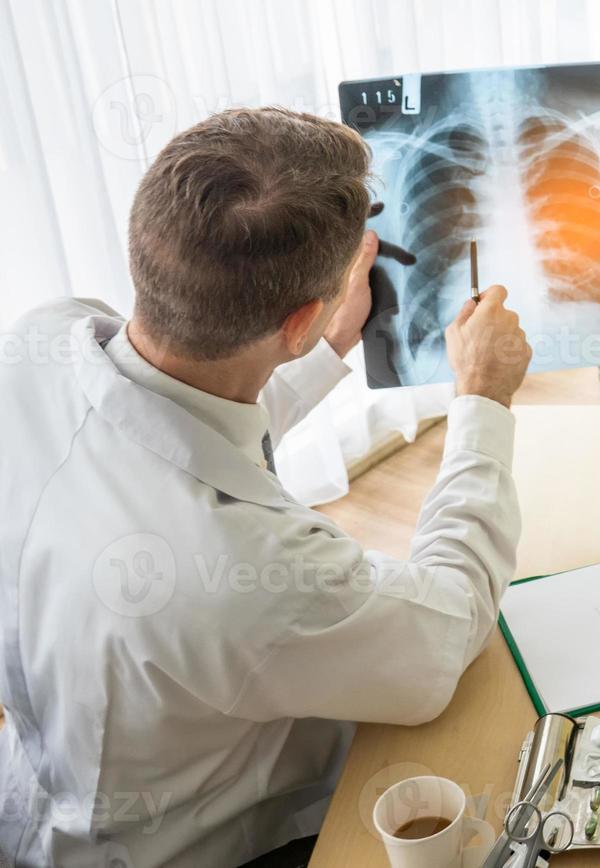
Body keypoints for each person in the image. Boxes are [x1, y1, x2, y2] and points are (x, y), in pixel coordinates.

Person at [0, 107, 533, 868]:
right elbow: (448, 633)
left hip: (34, 799)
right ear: (298, 317)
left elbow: (168, 426)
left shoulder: (39, 341)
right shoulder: (249, 573)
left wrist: (318, 345)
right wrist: (482, 397)